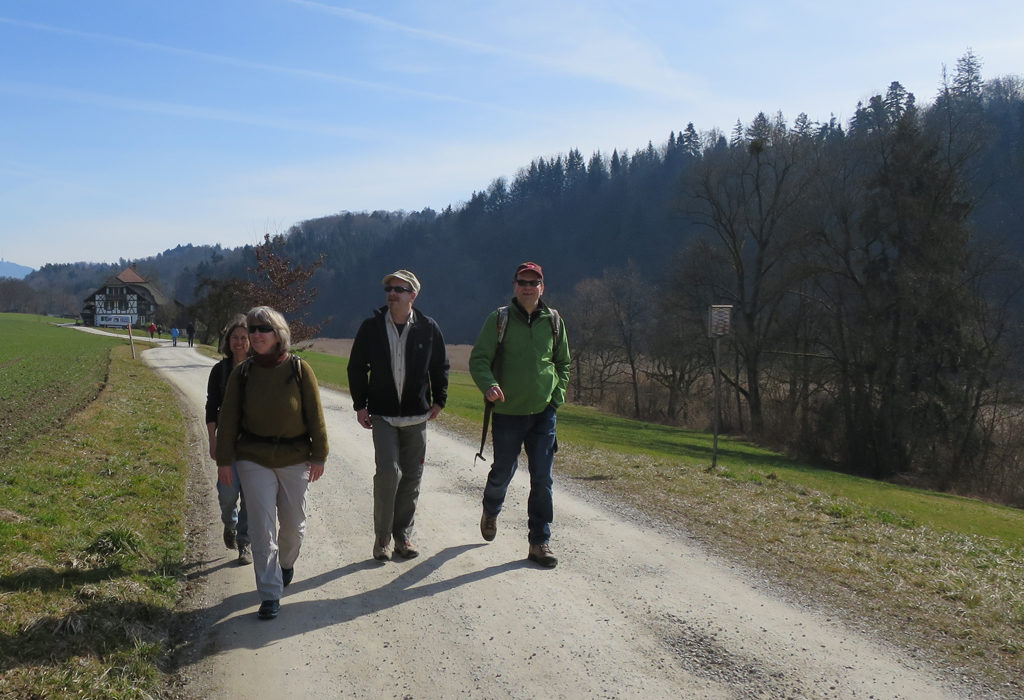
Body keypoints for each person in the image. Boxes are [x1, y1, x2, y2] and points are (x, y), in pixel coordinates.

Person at [215, 306, 329, 620]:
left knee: (292, 526)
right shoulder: (243, 372)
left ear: (278, 333)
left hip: (295, 459)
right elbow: (228, 421)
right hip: (253, 459)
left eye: (262, 329)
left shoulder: (299, 370)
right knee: (262, 528)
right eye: (251, 330)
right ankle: (269, 593)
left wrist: (319, 455)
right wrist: (225, 461)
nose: (255, 335)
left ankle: (286, 564)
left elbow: (315, 417)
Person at [469, 262, 570, 569]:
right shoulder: (499, 319)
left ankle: (539, 542)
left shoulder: (553, 320)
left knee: (542, 479)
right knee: (503, 471)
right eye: (522, 282)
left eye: (534, 282)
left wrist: (555, 399)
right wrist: (490, 386)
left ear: (543, 287)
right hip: (508, 413)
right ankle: (491, 508)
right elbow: (479, 360)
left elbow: (563, 363)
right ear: (514, 286)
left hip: (543, 415)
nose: (528, 287)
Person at [348, 270, 450, 562]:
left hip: (417, 416)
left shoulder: (428, 328)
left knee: (412, 478)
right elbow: (356, 367)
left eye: (399, 289)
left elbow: (440, 366)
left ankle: (403, 536)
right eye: (389, 289)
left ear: (412, 295)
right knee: (388, 473)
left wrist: (439, 400)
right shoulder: (372, 327)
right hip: (382, 415)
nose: (392, 294)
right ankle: (382, 537)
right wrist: (360, 404)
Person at [205, 314, 252, 565]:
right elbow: (211, 408)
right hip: (227, 442)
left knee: (250, 495)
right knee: (227, 492)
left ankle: (245, 542)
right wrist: (212, 441)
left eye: (244, 338)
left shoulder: (259, 369)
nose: (239, 342)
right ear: (227, 340)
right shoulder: (219, 371)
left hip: (254, 444)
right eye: (234, 337)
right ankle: (229, 523)